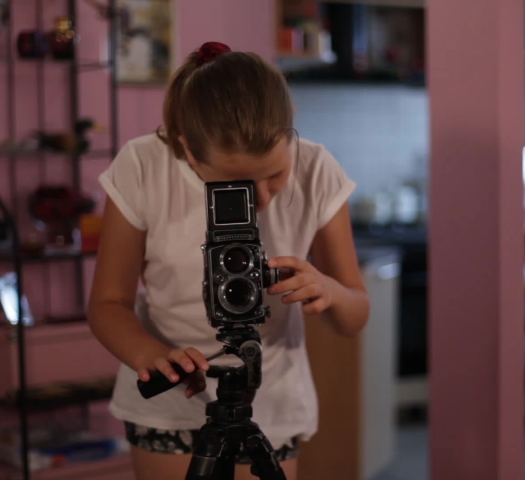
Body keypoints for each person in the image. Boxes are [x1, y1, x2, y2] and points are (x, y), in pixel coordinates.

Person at [87, 41, 370, 480]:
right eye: (234, 185)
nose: (260, 200)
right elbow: (107, 304)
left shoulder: (317, 169)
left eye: (275, 175)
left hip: (272, 404)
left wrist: (329, 291)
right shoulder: (144, 165)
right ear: (190, 151)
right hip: (170, 408)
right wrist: (153, 356)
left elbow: (354, 315)